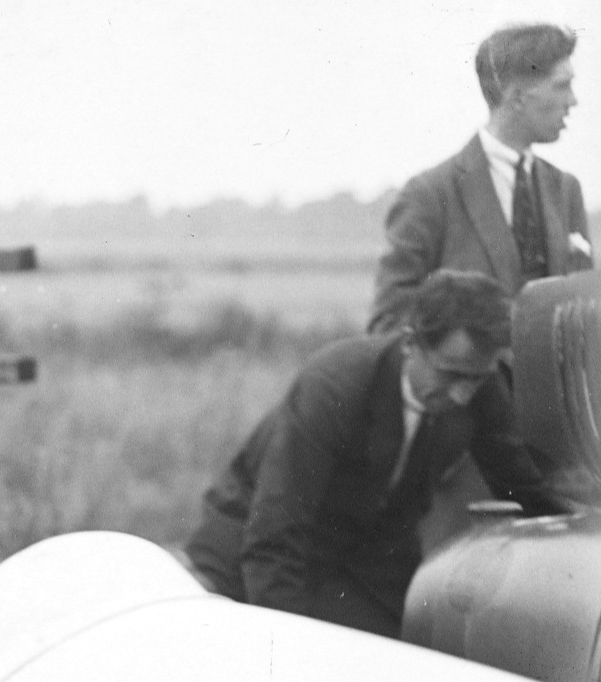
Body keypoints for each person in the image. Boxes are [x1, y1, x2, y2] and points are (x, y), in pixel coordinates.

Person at [185, 270, 561, 638]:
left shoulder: (480, 388)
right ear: (411, 343)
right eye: (451, 375)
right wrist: (288, 648)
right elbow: (274, 536)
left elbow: (522, 486)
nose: (463, 395)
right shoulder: (334, 386)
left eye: (476, 379)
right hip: (250, 553)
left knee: (417, 644)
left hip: (351, 562)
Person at [370, 24, 589, 334]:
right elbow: (388, 324)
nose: (573, 101)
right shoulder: (430, 195)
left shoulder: (566, 190)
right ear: (517, 97)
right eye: (562, 85)